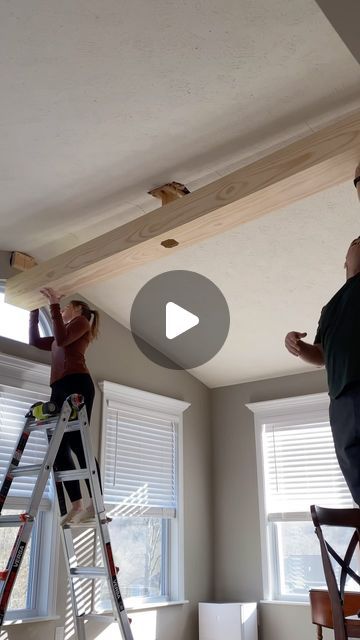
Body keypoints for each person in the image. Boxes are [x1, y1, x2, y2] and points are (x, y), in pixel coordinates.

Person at [285, 164, 360, 505]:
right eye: (354, 243)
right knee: (354, 465)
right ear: (344, 262)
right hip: (341, 397)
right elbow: (320, 354)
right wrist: (298, 346)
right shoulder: (331, 308)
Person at [29, 287, 103, 524]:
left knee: (78, 443)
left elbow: (61, 338)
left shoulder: (82, 322)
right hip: (59, 387)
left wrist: (52, 303)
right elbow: (36, 341)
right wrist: (33, 312)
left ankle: (96, 502)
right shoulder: (66, 330)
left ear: (79, 309)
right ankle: (77, 503)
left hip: (77, 383)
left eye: (68, 305)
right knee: (58, 445)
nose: (64, 308)